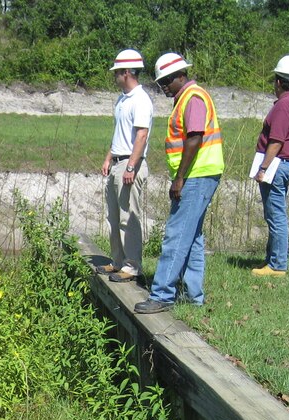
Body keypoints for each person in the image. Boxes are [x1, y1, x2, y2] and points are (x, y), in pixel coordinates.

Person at [133, 53, 224, 315]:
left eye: (167, 80)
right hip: (201, 174)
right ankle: (194, 296)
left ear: (180, 76)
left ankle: (162, 294)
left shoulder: (193, 98)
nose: (163, 85)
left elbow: (194, 138)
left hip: (196, 175)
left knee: (176, 234)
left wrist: (180, 177)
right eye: (161, 80)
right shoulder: (187, 97)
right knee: (192, 236)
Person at [95, 49, 153, 283]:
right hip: (118, 161)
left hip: (130, 162)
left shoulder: (140, 100)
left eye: (117, 73)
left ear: (127, 72)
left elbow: (141, 135)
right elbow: (120, 134)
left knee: (129, 217)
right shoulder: (122, 100)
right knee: (114, 216)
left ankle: (131, 266)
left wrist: (131, 166)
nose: (115, 77)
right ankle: (117, 261)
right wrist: (109, 157)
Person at [252, 55, 289, 277]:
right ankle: (272, 259)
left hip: (276, 165)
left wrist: (264, 168)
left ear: (278, 82)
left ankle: (277, 264)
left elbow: (276, 141)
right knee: (276, 213)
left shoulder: (283, 106)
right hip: (288, 164)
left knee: (275, 214)